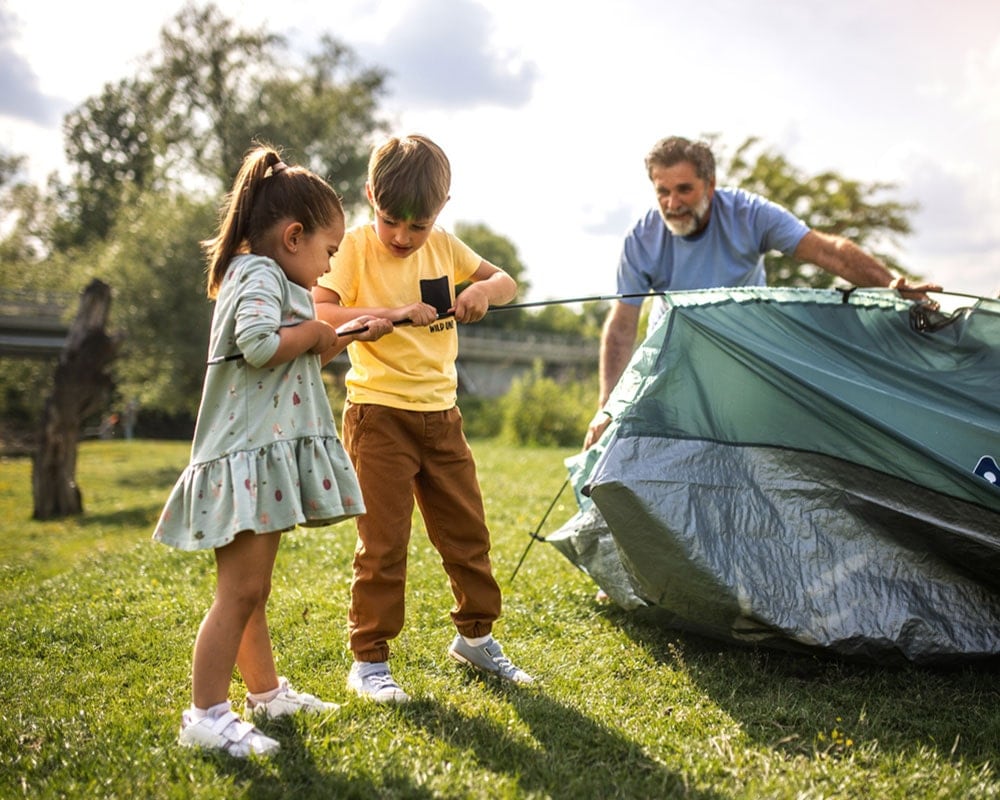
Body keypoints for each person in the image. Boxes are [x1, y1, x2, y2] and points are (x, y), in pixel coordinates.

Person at [153, 145, 393, 757]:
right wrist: (315, 328)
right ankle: (206, 715)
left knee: (250, 590)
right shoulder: (259, 274)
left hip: (258, 456)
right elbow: (260, 343)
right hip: (244, 457)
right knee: (237, 594)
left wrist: (337, 335)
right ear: (293, 236)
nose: (328, 265)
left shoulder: (265, 274)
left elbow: (291, 352)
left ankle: (265, 694)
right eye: (328, 252)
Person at [313, 133, 533, 703]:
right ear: (370, 198)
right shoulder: (355, 248)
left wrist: (483, 290)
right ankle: (369, 661)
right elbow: (323, 312)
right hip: (378, 416)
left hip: (443, 417)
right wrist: (387, 313)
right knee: (383, 544)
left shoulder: (445, 246)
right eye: (392, 221)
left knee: (468, 535)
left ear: (440, 211)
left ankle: (476, 638)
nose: (404, 237)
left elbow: (506, 281)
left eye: (419, 224)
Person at [584, 135, 942, 450]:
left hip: (743, 352)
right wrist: (607, 406)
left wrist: (892, 283)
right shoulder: (641, 238)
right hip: (672, 356)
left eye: (684, 189)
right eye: (662, 191)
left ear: (710, 185)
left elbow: (826, 250)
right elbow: (622, 325)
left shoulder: (749, 213)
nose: (672, 203)